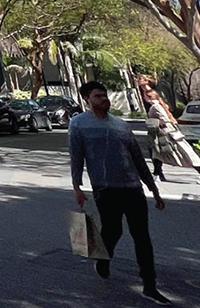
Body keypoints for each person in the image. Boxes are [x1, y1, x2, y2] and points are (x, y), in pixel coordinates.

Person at [70, 80, 169, 304]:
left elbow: (137, 158)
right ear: (87, 99)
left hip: (132, 187)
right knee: (112, 231)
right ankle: (103, 260)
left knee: (142, 236)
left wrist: (153, 189)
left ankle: (149, 285)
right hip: (105, 188)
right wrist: (77, 187)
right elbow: (76, 157)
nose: (103, 99)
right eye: (98, 96)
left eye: (104, 95)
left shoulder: (121, 125)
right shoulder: (78, 124)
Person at [141, 84, 200, 185]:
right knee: (158, 154)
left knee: (183, 154)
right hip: (165, 133)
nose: (143, 97)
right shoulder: (159, 105)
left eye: (144, 95)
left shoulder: (156, 106)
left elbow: (164, 119)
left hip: (166, 134)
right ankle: (157, 174)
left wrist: (152, 122)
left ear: (148, 97)